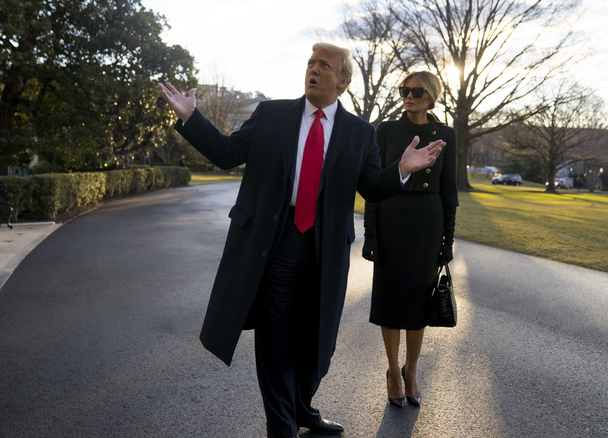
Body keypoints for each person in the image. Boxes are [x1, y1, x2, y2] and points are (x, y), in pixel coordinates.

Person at [157, 43, 445, 438]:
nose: (313, 70)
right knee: (276, 339)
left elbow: (372, 187)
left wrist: (403, 170)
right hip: (275, 243)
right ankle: (282, 428)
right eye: (310, 63)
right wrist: (192, 118)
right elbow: (227, 154)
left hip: (325, 250)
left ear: (342, 82)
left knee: (317, 345)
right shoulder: (272, 114)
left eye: (324, 66)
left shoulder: (359, 132)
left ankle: (303, 410)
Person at [362, 71, 458, 408]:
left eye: (417, 91)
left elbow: (449, 192)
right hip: (391, 220)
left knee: (420, 302)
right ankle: (392, 371)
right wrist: (370, 234)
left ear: (431, 96)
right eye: (405, 90)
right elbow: (374, 185)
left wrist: (447, 240)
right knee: (390, 301)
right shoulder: (386, 130)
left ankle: (412, 371)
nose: (409, 96)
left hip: (427, 226)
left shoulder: (446, 134)